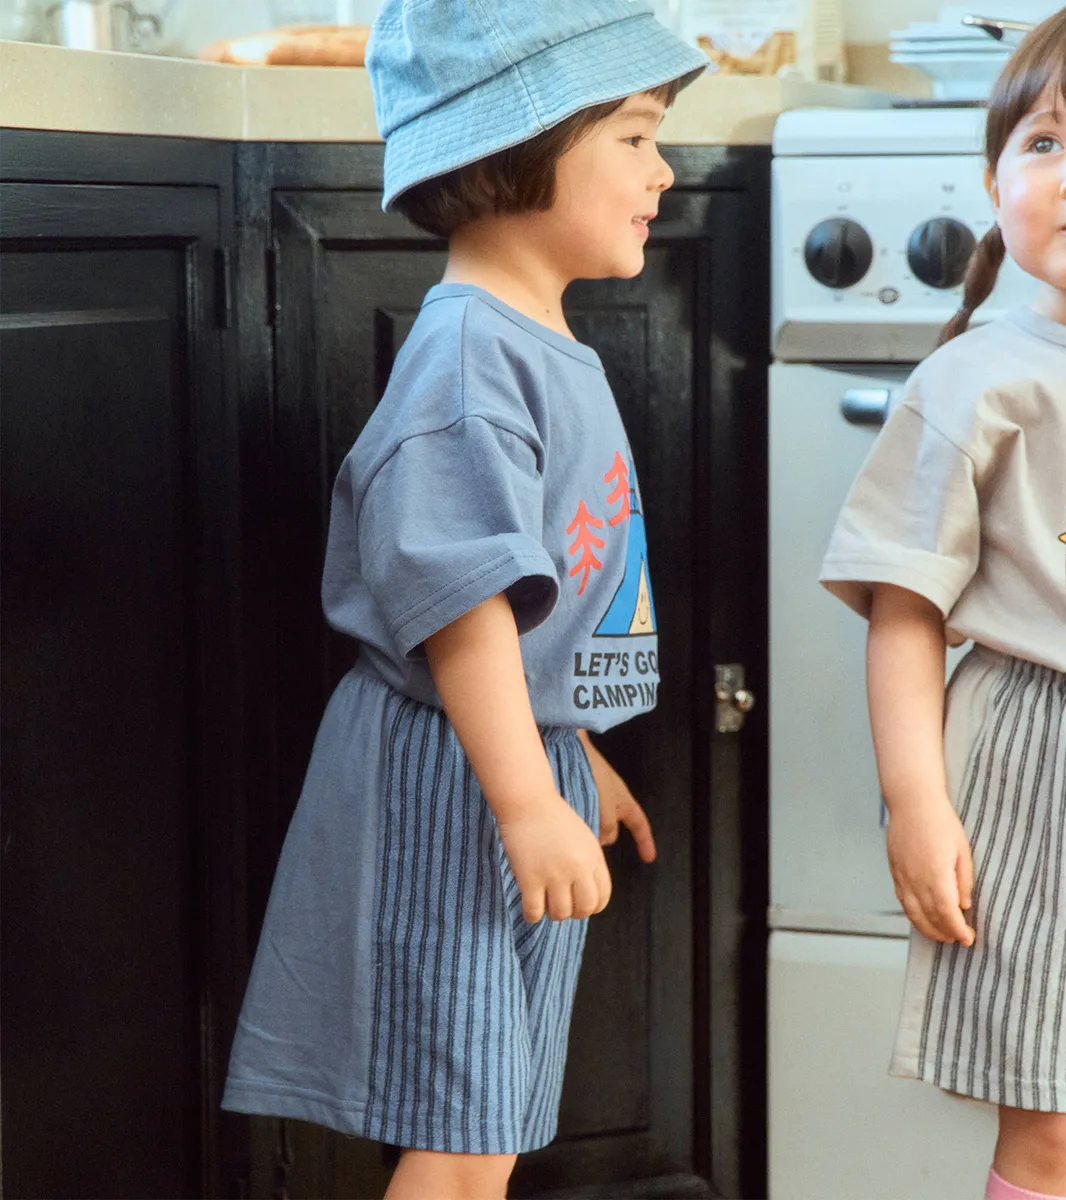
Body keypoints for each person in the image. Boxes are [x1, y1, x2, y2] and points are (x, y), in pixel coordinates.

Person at [221, 4, 708, 1197]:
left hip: (507, 759)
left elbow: (530, 602)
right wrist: (524, 800)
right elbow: (461, 609)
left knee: (488, 1123)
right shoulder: (467, 361)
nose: (665, 170)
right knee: (458, 1135)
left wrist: (570, 754)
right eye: (636, 137)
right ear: (516, 148)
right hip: (454, 784)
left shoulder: (530, 338)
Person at [818, 2, 1066, 1198]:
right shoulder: (977, 380)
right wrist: (915, 805)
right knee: (1063, 1125)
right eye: (1044, 143)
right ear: (996, 188)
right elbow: (904, 612)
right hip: (1046, 759)